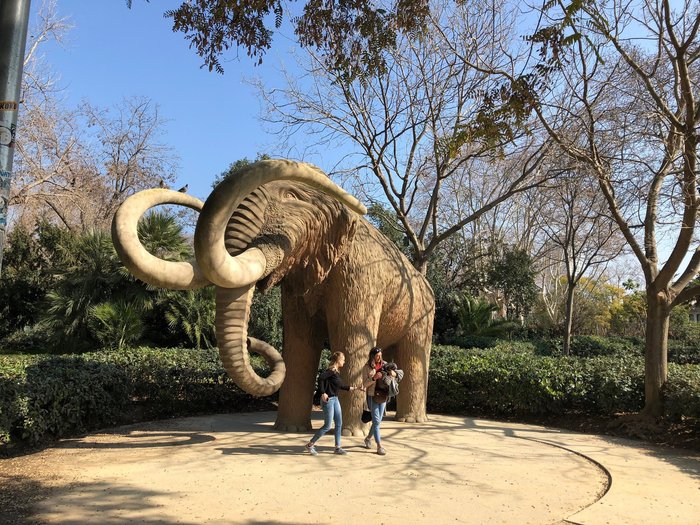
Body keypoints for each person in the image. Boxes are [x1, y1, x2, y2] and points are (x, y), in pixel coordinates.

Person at [305, 351, 363, 456]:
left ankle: (337, 448)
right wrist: (323, 393)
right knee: (327, 426)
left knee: (339, 424)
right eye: (343, 359)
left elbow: (341, 386)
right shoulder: (331, 371)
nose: (344, 362)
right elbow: (321, 377)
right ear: (338, 360)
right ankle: (310, 445)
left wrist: (356, 388)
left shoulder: (336, 372)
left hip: (335, 400)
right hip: (329, 401)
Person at [362, 347, 402, 455]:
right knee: (376, 421)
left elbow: (396, 375)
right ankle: (379, 446)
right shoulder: (366, 367)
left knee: (378, 421)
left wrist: (393, 374)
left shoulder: (385, 364)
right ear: (372, 356)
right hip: (372, 395)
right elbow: (364, 384)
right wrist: (374, 378)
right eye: (377, 355)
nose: (379, 357)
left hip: (384, 395)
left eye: (380, 355)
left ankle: (368, 438)